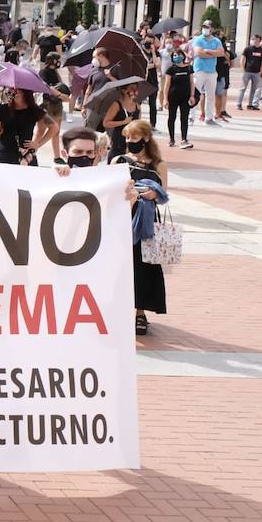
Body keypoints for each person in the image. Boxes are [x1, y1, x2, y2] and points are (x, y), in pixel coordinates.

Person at [113, 120, 169, 336]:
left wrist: (154, 194)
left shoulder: (158, 164)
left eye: (134, 138)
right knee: (120, 265)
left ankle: (140, 312)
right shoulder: (120, 161)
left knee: (143, 266)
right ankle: (117, 308)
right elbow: (108, 188)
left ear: (145, 138)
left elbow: (164, 195)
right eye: (127, 138)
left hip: (146, 222)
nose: (129, 142)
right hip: (122, 218)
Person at [0, 88, 40, 166]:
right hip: (5, 153)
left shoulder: (33, 110)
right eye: (10, 90)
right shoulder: (2, 107)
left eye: (16, 90)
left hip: (24, 155)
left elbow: (53, 127)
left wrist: (38, 143)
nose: (13, 92)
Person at [162, 42, 194, 149]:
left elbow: (192, 83)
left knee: (184, 118)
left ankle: (184, 138)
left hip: (185, 97)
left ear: (183, 56)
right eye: (175, 55)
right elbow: (167, 85)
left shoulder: (189, 68)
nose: (177, 57)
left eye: (179, 55)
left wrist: (192, 95)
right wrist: (165, 99)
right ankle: (171, 139)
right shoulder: (171, 69)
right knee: (172, 117)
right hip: (173, 97)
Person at [190, 21, 222, 125]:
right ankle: (191, 115)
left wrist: (208, 51)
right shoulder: (198, 39)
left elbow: (221, 52)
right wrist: (213, 54)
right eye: (204, 27)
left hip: (212, 71)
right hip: (200, 70)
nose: (205, 29)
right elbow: (199, 53)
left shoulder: (216, 40)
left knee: (210, 95)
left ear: (212, 29)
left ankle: (209, 117)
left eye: (207, 27)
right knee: (195, 94)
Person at [102, 86, 139, 162]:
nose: (134, 91)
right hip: (118, 140)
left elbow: (139, 122)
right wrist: (123, 122)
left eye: (135, 88)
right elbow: (106, 123)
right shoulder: (117, 104)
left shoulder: (137, 106)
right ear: (124, 91)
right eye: (131, 88)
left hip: (132, 142)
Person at [238, 33, 262, 110]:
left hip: (256, 72)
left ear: (259, 41)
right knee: (243, 88)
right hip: (247, 71)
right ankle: (239, 104)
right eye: (253, 39)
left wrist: (261, 70)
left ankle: (250, 104)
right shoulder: (248, 49)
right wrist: (242, 69)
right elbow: (243, 59)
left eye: (256, 40)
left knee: (254, 89)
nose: (255, 41)